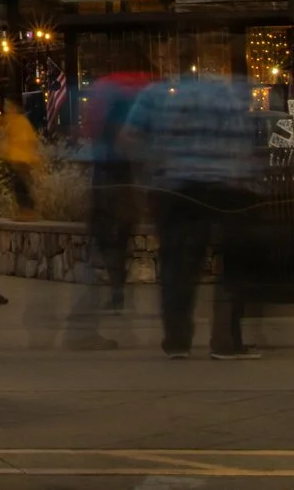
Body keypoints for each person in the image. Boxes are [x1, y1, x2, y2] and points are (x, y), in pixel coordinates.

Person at [126, 69, 264, 360]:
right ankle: (227, 339)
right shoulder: (229, 94)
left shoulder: (156, 95)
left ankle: (177, 340)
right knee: (235, 263)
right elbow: (244, 145)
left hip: (177, 189)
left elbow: (129, 137)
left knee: (177, 263)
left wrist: (149, 174)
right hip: (226, 187)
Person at [70, 59, 155, 345]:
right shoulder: (135, 93)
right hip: (121, 181)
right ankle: (114, 292)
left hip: (106, 180)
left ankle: (104, 302)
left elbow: (91, 132)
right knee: (117, 239)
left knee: (104, 241)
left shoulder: (104, 94)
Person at [0, 105, 45, 218]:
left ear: (15, 108)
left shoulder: (17, 122)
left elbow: (25, 140)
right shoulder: (18, 121)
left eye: (9, 106)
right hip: (20, 159)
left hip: (20, 159)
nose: (7, 110)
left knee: (20, 186)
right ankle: (26, 211)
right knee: (20, 186)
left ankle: (27, 212)